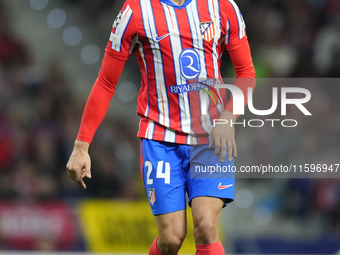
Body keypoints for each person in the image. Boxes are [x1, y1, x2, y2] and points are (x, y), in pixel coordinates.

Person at [66, 0, 256, 254]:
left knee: (206, 225)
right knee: (171, 239)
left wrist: (228, 118)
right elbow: (106, 82)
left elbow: (246, 71)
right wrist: (82, 145)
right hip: (160, 138)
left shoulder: (222, 6)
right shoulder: (136, 11)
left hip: (210, 137)